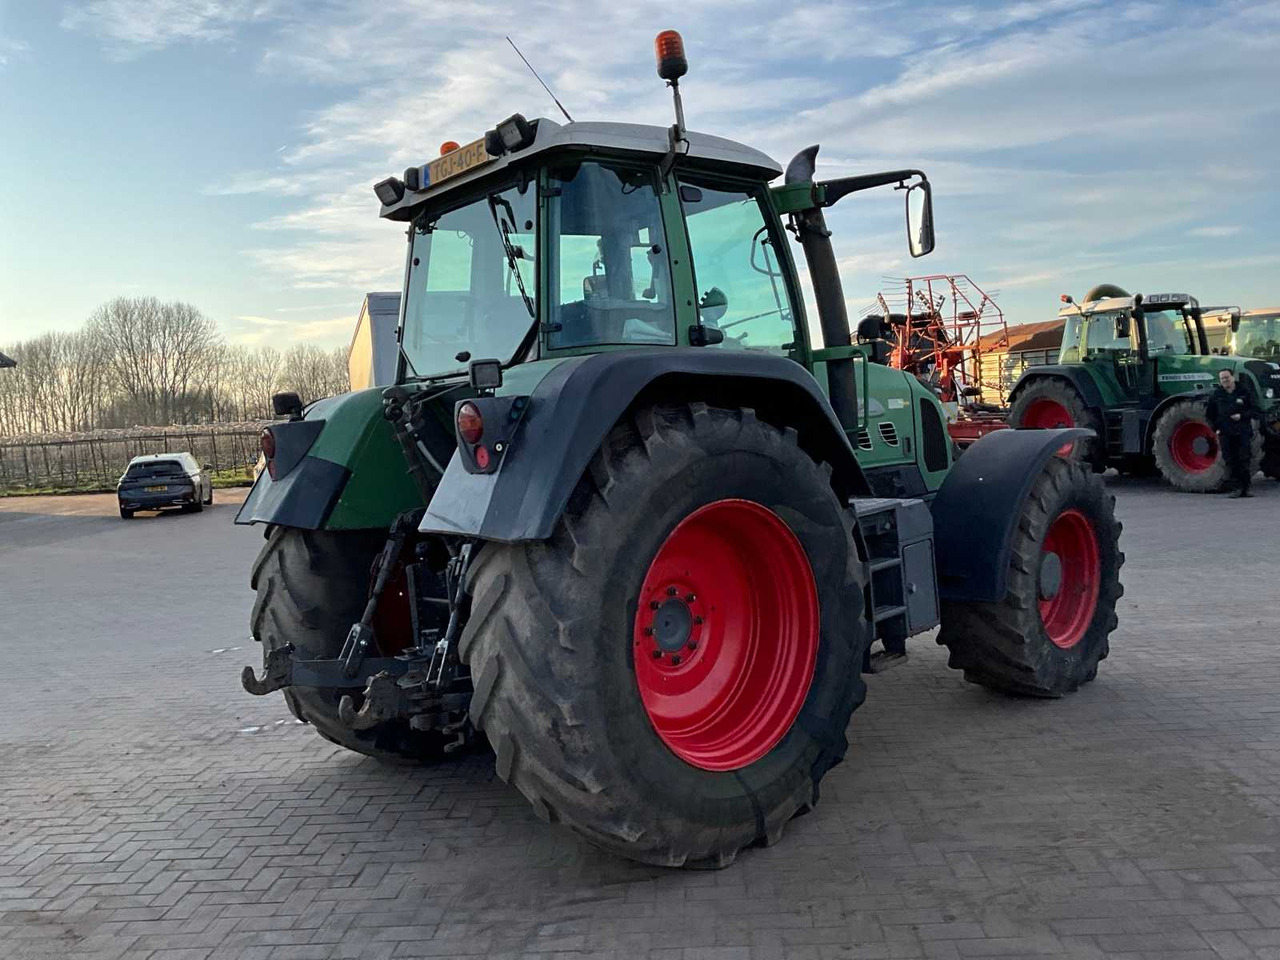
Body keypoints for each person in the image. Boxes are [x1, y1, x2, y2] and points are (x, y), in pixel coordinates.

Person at [1207, 368, 1259, 498]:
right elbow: (1210, 414)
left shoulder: (1244, 392)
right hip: (1225, 433)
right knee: (1230, 461)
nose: (1225, 380)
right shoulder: (1217, 394)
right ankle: (1235, 489)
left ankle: (1245, 489)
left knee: (1244, 459)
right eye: (1222, 378)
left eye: (1227, 377)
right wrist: (1216, 429)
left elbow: (1255, 410)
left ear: (1233, 377)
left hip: (1242, 431)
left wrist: (1241, 416)